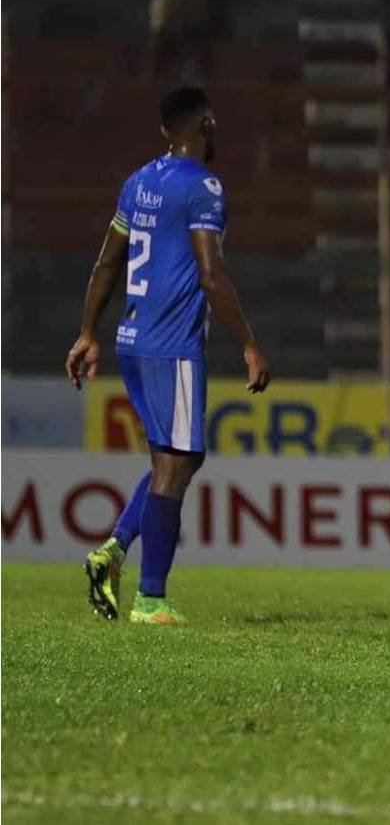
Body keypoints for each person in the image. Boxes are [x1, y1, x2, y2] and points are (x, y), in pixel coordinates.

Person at [69, 86, 270, 624]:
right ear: (206, 125)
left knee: (177, 457)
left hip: (132, 341)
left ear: (164, 131)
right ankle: (150, 599)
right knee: (176, 464)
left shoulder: (139, 182)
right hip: (172, 344)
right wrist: (249, 343)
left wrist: (88, 333)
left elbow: (107, 263)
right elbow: (211, 272)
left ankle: (112, 552)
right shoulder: (204, 187)